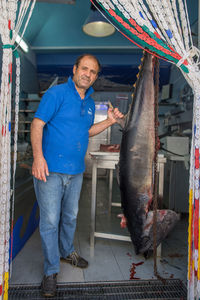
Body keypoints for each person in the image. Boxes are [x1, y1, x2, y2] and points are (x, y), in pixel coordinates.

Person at [31, 53, 124, 297]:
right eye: (84, 69)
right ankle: (51, 271)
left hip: (76, 172)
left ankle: (67, 251)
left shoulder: (91, 103)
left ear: (95, 77)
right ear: (74, 69)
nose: (88, 74)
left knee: (70, 217)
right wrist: (39, 158)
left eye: (93, 72)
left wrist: (110, 122)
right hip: (49, 171)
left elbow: (87, 131)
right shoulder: (56, 94)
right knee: (50, 222)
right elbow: (37, 124)